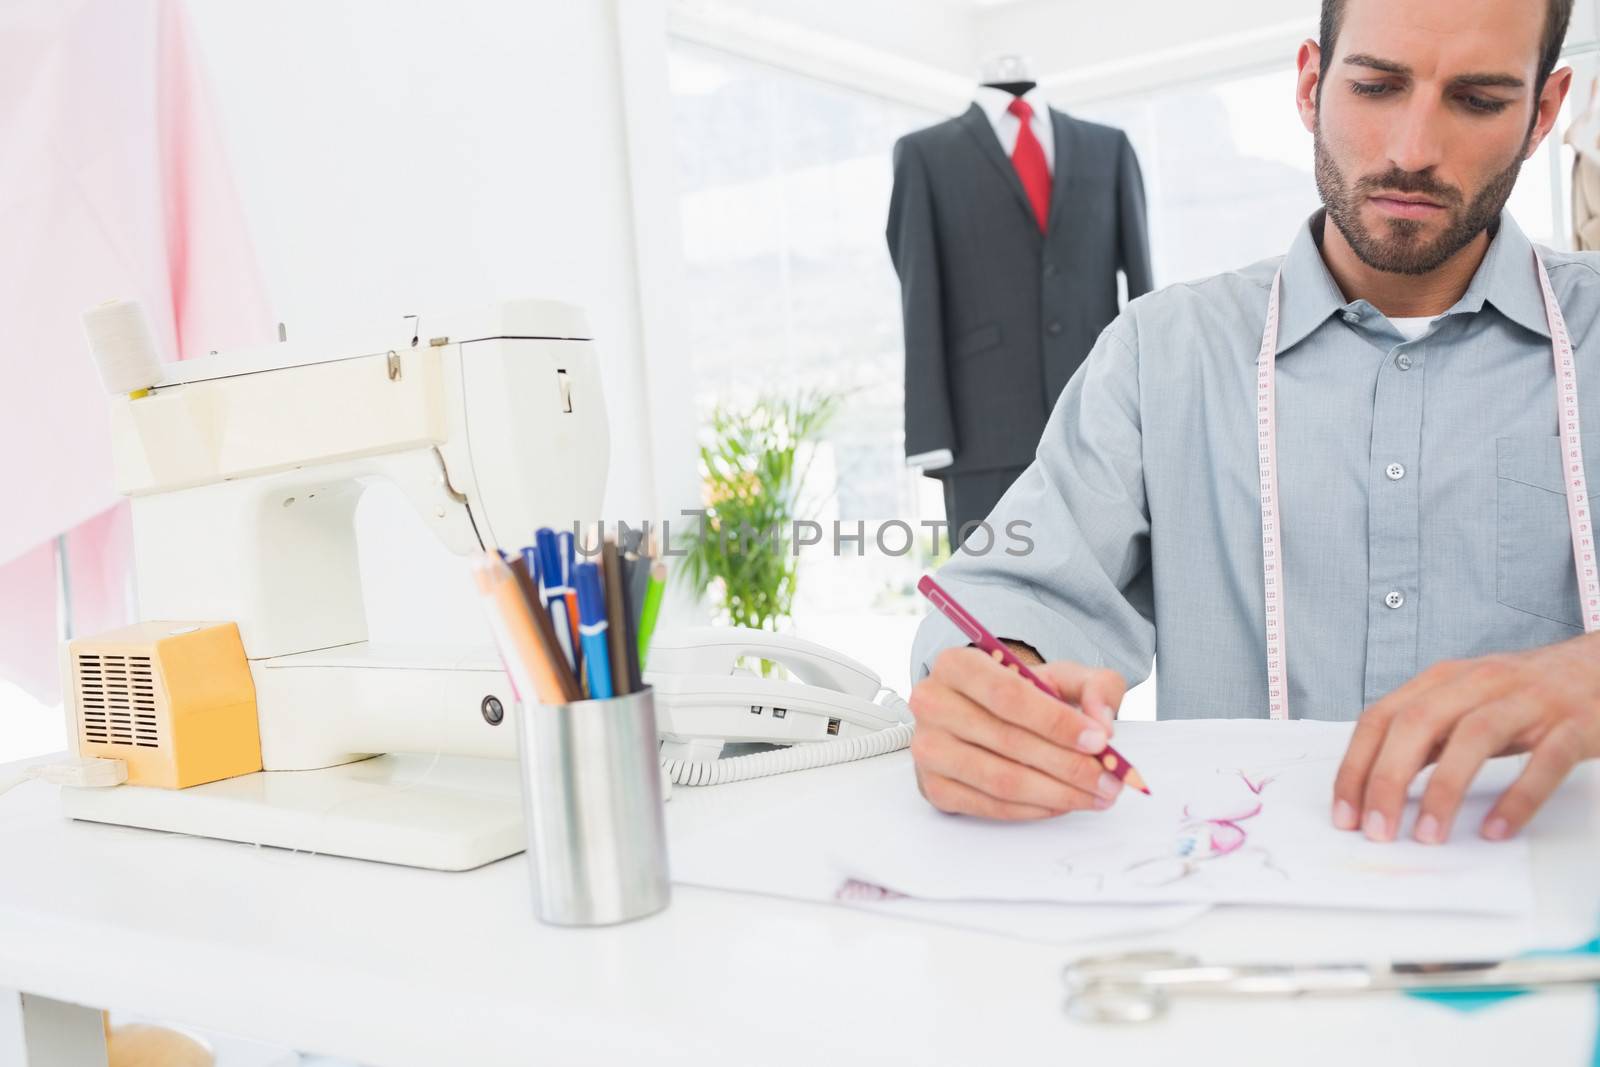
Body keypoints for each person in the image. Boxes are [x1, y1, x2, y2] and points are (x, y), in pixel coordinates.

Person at [908, 0, 1600, 848]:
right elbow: (1007, 598)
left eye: (1478, 100)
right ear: (1311, 84)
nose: (1412, 151)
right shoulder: (1159, 355)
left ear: (1543, 111)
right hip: (1239, 923)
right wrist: (991, 687)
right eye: (1377, 86)